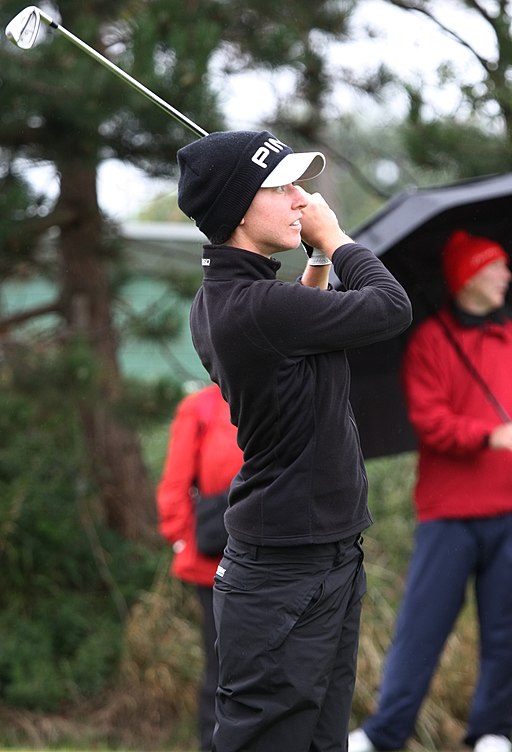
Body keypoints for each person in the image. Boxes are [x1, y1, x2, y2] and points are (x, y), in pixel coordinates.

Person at [176, 129, 412, 752]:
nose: (300, 200)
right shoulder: (252, 306)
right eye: (279, 187)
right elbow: (389, 307)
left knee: (319, 743)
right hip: (285, 569)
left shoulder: (234, 299)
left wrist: (316, 260)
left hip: (320, 552)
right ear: (237, 211)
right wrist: (335, 239)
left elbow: (299, 337)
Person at [349, 229, 512, 752]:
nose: (507, 275)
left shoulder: (509, 337)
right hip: (449, 514)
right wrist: (490, 434)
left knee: (505, 632)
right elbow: (430, 422)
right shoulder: (431, 342)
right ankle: (383, 734)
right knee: (422, 629)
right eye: (498, 266)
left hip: (508, 508)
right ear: (470, 277)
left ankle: (492, 730)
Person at [157, 383, 243, 752]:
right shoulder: (201, 408)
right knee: (222, 667)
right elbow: (174, 484)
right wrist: (182, 539)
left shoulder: (273, 394)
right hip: (213, 564)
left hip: (269, 560)